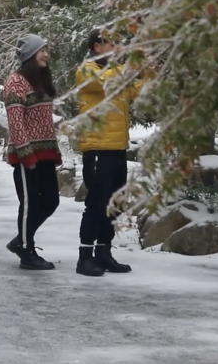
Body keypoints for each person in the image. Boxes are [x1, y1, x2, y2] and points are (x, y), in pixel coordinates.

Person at [73, 28, 148, 277]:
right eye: (112, 43)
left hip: (117, 148)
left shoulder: (116, 73)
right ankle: (85, 257)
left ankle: (104, 252)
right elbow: (106, 81)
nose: (117, 47)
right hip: (97, 148)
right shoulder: (87, 70)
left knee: (114, 204)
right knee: (95, 204)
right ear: (97, 46)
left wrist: (149, 67)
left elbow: (137, 89)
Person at [3, 34, 62, 271]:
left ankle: (21, 240)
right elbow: (15, 122)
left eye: (46, 49)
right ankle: (27, 251)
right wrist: (27, 154)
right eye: (42, 50)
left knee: (50, 201)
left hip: (45, 153)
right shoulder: (15, 83)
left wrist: (52, 149)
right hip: (27, 156)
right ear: (29, 56)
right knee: (29, 205)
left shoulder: (40, 81)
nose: (46, 54)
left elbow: (44, 120)